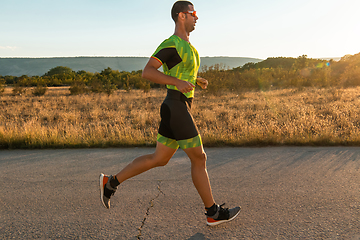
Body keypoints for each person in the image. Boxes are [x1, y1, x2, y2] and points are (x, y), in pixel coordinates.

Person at [99, 0, 240, 226]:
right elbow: (148, 72)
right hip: (175, 106)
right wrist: (176, 82)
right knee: (199, 157)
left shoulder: (190, 47)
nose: (197, 17)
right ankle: (212, 212)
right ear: (181, 16)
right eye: (193, 13)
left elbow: (179, 72)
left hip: (177, 106)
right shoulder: (171, 43)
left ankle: (111, 182)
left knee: (159, 159)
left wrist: (195, 79)